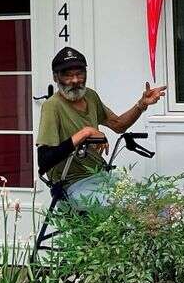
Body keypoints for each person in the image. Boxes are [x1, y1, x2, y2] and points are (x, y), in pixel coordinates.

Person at [35, 46, 165, 205]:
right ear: (56, 78)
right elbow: (44, 161)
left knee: (157, 201)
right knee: (129, 205)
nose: (75, 80)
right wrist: (85, 133)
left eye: (79, 74)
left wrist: (142, 104)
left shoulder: (90, 95)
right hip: (72, 184)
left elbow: (118, 125)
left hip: (100, 175)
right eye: (68, 76)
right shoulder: (52, 106)